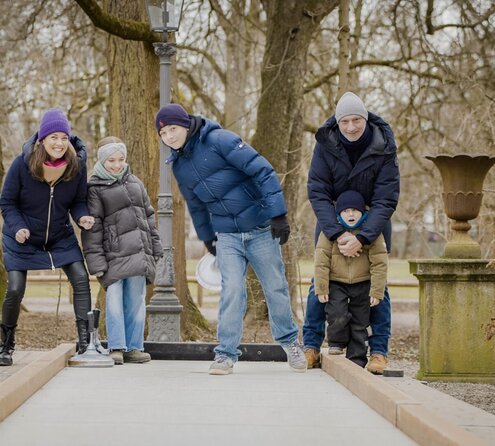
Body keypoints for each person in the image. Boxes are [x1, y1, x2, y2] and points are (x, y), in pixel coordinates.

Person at [154, 103, 306, 376]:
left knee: (275, 287)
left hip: (259, 228)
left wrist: (278, 214)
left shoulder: (219, 139)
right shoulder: (179, 165)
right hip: (227, 235)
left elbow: (262, 170)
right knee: (232, 291)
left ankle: (290, 343)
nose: (169, 137)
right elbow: (196, 205)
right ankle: (225, 354)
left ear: (186, 125)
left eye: (173, 130)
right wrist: (206, 238)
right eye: (163, 134)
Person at [304, 92, 399, 374]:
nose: (351, 127)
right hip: (332, 224)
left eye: (357, 120)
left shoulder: (384, 146)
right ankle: (310, 347)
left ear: (366, 120)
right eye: (345, 121)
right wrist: (337, 233)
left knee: (378, 287)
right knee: (319, 285)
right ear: (338, 121)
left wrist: (363, 236)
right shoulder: (325, 143)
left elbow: (387, 197)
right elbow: (317, 191)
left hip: (374, 226)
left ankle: (379, 352)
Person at [0, 108, 94, 366]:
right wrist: (17, 227)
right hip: (22, 237)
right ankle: (6, 346)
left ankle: (86, 343)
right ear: (42, 139)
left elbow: (79, 201)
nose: (59, 143)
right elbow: (7, 203)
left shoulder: (76, 165)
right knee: (15, 289)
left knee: (81, 279)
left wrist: (82, 217)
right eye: (53, 137)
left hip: (60, 235)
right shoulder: (22, 164)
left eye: (63, 137)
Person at [82, 136, 162, 365]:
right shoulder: (95, 188)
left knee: (136, 301)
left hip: (139, 252)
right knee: (115, 301)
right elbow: (92, 227)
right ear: (102, 161)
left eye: (121, 159)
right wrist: (96, 263)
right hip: (113, 255)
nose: (117, 165)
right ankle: (117, 346)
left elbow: (148, 215)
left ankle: (134, 347)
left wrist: (155, 247)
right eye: (111, 161)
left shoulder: (135, 182)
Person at [314, 190, 387, 367]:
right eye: (346, 211)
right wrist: (322, 288)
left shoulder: (371, 232)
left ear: (363, 212)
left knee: (360, 322)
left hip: (363, 283)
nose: (351, 214)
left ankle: (357, 359)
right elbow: (321, 262)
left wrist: (377, 291)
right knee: (337, 314)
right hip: (336, 282)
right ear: (339, 213)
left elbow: (380, 263)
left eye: (355, 210)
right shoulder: (330, 232)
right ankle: (336, 343)